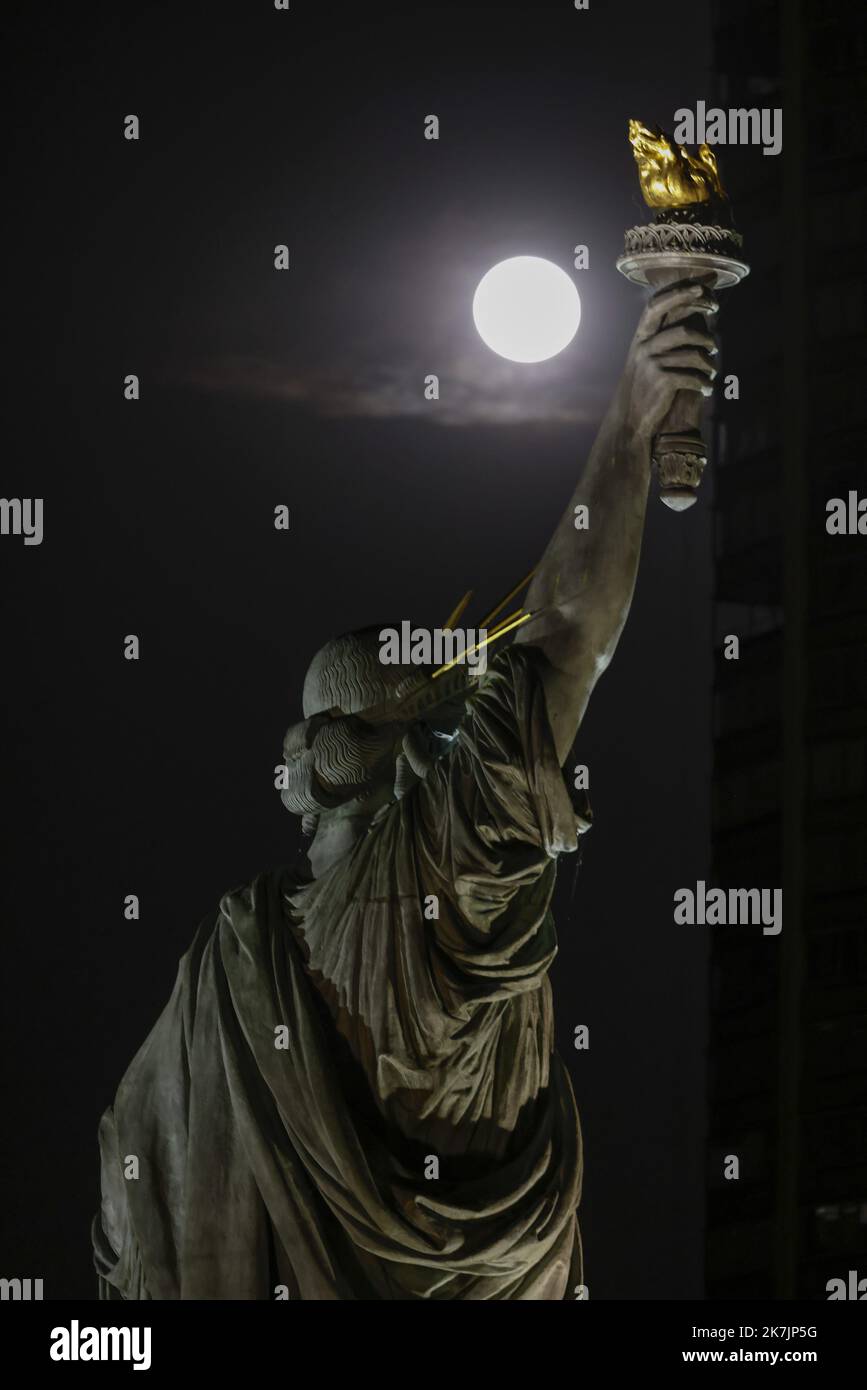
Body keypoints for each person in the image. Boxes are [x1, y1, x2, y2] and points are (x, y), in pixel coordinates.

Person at [93, 279, 718, 1299]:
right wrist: (633, 421)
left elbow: (132, 1200)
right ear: (408, 750)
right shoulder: (439, 869)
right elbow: (563, 646)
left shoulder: (241, 957)